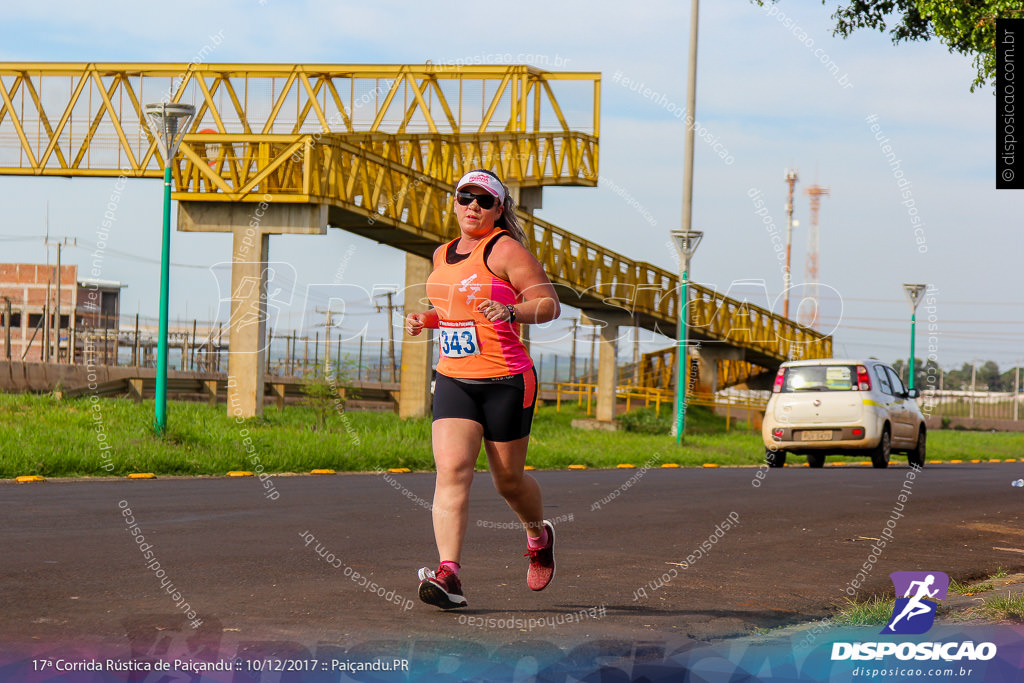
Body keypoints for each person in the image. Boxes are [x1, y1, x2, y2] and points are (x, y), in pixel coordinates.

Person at [405, 169, 561, 609]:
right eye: (465, 197)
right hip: (454, 377)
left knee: (507, 481)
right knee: (452, 471)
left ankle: (537, 535)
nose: (473, 206)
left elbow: (548, 304)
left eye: (484, 200)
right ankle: (448, 573)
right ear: (454, 202)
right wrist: (427, 319)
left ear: (498, 210)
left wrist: (512, 310)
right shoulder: (441, 254)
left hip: (506, 379)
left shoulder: (506, 249)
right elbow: (457, 312)